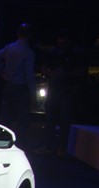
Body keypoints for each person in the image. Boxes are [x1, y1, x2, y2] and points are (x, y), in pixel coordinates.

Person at [37, 28, 88, 156]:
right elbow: (44, 67)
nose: (61, 44)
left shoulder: (75, 54)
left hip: (68, 91)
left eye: (63, 42)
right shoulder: (53, 52)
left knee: (65, 121)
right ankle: (48, 146)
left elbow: (82, 72)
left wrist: (64, 74)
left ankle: (61, 148)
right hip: (54, 90)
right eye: (59, 42)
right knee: (50, 119)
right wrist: (48, 72)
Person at [0, 23, 37, 150]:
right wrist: (33, 93)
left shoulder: (10, 48)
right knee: (23, 119)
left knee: (6, 117)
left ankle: (2, 144)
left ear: (17, 33)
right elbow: (29, 75)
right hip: (21, 88)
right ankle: (20, 145)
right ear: (30, 35)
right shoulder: (28, 52)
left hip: (9, 85)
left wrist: (2, 71)